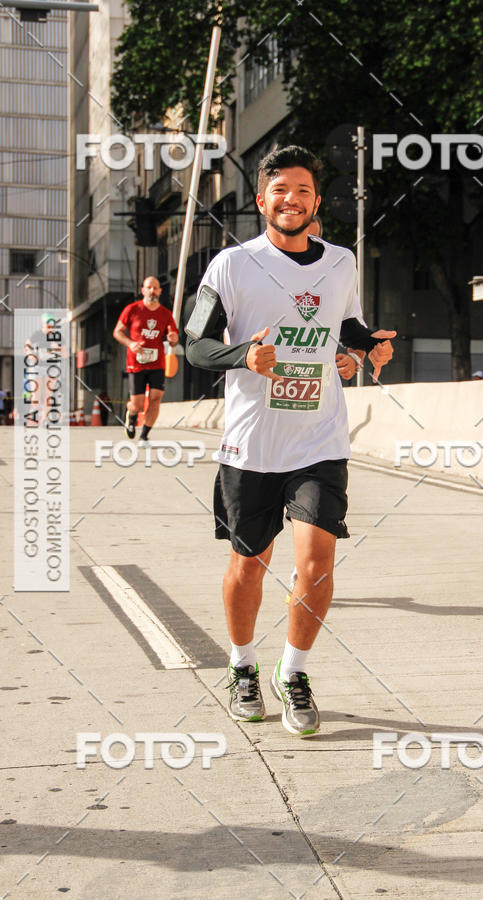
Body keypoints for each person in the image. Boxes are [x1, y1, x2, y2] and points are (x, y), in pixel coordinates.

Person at [186, 145, 395, 735]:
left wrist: (367, 344)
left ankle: (294, 672)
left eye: (303, 190)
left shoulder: (342, 262)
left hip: (318, 439)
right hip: (252, 444)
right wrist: (243, 356)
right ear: (261, 200)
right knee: (249, 565)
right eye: (280, 190)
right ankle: (242, 665)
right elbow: (194, 345)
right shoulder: (230, 265)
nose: (292, 199)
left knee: (317, 560)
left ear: (316, 201)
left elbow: (344, 325)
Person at [113, 276, 179, 447]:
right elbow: (117, 332)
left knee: (156, 398)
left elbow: (173, 338)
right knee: (138, 403)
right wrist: (130, 343)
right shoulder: (132, 309)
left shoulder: (165, 314)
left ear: (160, 291)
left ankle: (144, 436)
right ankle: (131, 414)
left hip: (157, 363)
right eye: (149, 287)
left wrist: (173, 339)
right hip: (136, 362)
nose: (152, 291)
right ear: (143, 290)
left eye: (155, 288)